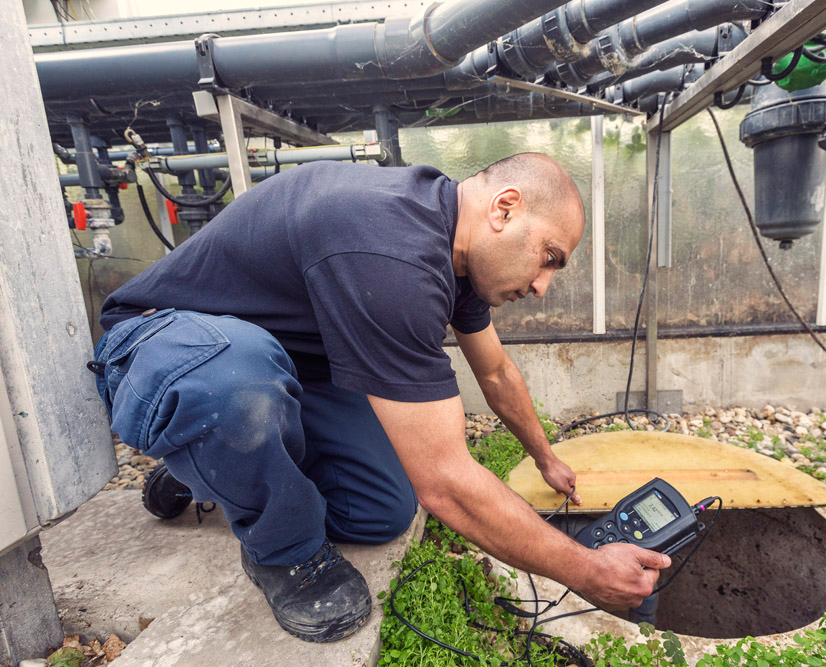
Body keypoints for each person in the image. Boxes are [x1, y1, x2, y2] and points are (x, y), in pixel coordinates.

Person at [91, 153, 671, 643]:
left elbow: (495, 373)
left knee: (378, 510)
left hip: (284, 365)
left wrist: (546, 457)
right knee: (237, 389)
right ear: (504, 209)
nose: (544, 285)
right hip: (167, 340)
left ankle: (218, 469)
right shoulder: (389, 248)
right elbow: (444, 483)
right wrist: (586, 570)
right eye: (550, 257)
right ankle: (281, 550)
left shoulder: (457, 257)